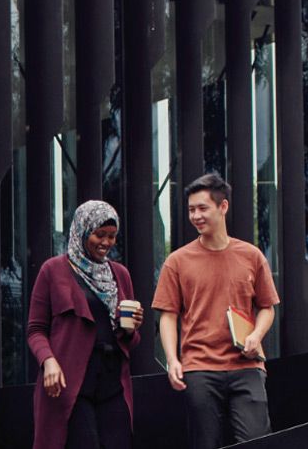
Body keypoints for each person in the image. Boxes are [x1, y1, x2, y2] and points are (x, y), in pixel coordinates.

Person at [152, 173, 280, 448]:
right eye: (191, 210)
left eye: (202, 208)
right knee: (205, 443)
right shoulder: (177, 261)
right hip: (199, 368)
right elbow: (168, 316)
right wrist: (173, 360)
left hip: (247, 365)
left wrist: (256, 336)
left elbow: (267, 308)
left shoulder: (251, 255)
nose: (196, 216)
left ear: (223, 207)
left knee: (257, 441)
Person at [28, 200, 141, 449]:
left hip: (112, 382)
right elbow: (36, 330)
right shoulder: (53, 270)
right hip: (71, 383)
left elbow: (130, 341)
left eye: (112, 236)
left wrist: (130, 329)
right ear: (81, 230)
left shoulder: (119, 274)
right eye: (99, 235)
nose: (106, 243)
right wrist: (48, 361)